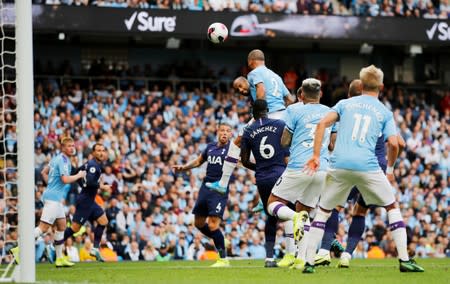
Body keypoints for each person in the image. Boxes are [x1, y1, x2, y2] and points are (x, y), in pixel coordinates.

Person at [303, 65, 424, 273]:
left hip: (339, 165)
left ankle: (309, 262)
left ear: (361, 84)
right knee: (392, 207)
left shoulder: (344, 104)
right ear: (382, 86)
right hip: (368, 166)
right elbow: (395, 143)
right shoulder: (384, 112)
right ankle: (404, 260)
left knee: (323, 211)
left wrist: (315, 155)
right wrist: (390, 169)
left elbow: (322, 124)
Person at [315, 79, 406, 268]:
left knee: (333, 207)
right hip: (376, 167)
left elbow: (332, 141)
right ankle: (347, 255)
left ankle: (324, 251)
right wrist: (390, 167)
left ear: (350, 95)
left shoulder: (346, 111)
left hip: (349, 165)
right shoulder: (380, 111)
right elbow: (400, 143)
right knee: (360, 211)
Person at [266, 78, 334, 270]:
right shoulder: (331, 112)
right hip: (321, 169)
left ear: (301, 94)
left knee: (273, 203)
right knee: (303, 211)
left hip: (299, 166)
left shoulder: (294, 110)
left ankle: (294, 219)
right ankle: (302, 259)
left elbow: (284, 141)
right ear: (320, 94)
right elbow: (332, 145)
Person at [11, 137, 86, 267]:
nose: (72, 148)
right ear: (63, 148)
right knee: (43, 228)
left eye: (73, 145)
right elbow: (65, 179)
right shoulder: (62, 160)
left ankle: (59, 258)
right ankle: (18, 248)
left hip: (54, 197)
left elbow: (44, 172)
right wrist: (79, 175)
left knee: (62, 225)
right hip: (53, 199)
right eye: (69, 146)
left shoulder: (57, 159)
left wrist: (51, 185)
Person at [172, 123, 233, 267]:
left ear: (231, 134)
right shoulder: (210, 147)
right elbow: (199, 161)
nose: (225, 133)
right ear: (218, 132)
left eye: (228, 131)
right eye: (222, 130)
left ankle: (223, 259)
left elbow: (243, 162)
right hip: (205, 188)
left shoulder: (233, 149)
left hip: (220, 190)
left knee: (213, 225)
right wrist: (184, 167)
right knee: (198, 223)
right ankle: (221, 239)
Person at [240, 99, 291, 267]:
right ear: (268, 110)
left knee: (271, 216)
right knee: (289, 212)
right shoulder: (280, 124)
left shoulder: (248, 131)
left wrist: (260, 167)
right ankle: (293, 255)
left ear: (252, 112)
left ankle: (269, 258)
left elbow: (245, 161)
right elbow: (287, 150)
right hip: (281, 174)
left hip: (263, 177)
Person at [63, 143, 110, 262]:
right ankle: (53, 245)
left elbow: (78, 175)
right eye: (98, 150)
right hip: (85, 202)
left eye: (102, 150)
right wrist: (101, 186)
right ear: (93, 153)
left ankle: (95, 249)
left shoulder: (88, 164)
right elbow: (89, 181)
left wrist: (83, 185)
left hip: (89, 201)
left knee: (103, 221)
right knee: (74, 229)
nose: (101, 153)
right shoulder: (94, 165)